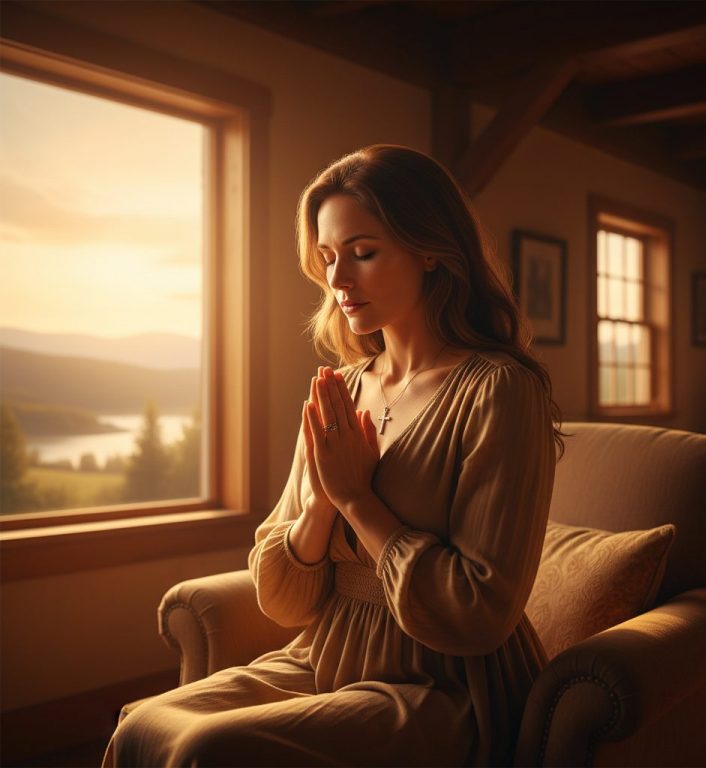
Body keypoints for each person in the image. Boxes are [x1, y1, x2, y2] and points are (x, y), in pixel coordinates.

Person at [103, 145, 562, 767]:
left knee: (211, 750)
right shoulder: (341, 389)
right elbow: (282, 600)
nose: (338, 281)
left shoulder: (500, 390)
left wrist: (356, 498)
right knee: (146, 727)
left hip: (441, 683)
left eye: (363, 253)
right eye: (327, 258)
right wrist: (321, 502)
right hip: (322, 656)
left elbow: (478, 614)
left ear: (431, 249)